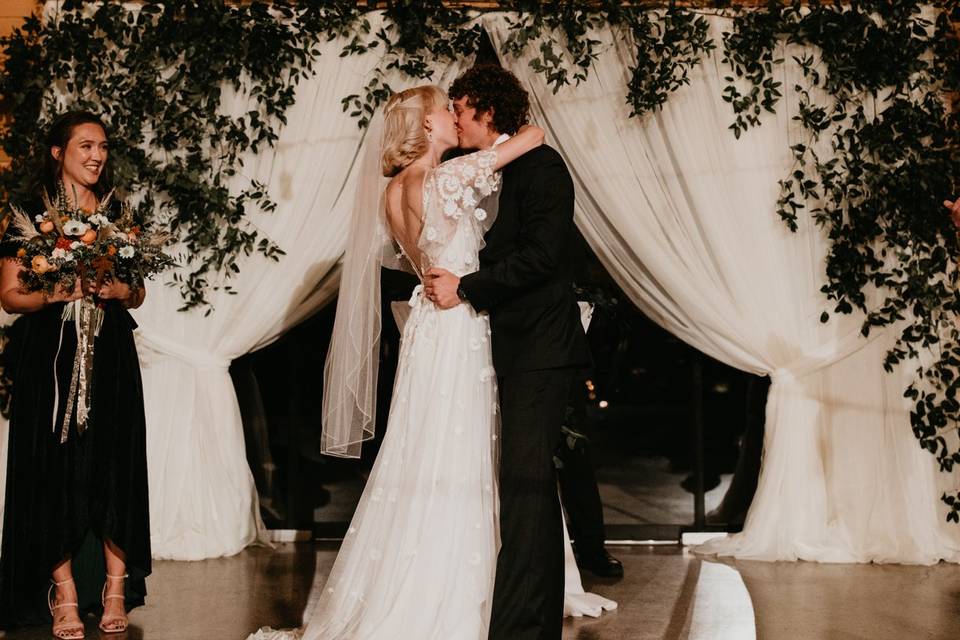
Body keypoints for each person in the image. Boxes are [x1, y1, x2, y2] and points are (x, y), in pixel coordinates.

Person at [425, 64, 593, 640]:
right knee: (516, 485)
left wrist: (467, 288)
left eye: (461, 108)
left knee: (525, 485)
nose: (456, 119)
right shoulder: (473, 168)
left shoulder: (542, 169)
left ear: (486, 111)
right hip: (492, 347)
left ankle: (525, 627)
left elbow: (544, 257)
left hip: (540, 347)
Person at [0, 111, 150, 639]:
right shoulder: (30, 217)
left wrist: (120, 292)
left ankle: (114, 589)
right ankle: (62, 592)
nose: (97, 155)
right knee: (52, 467)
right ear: (58, 152)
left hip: (109, 353)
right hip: (51, 356)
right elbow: (10, 296)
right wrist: (53, 294)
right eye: (85, 145)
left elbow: (138, 290)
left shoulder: (118, 214)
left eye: (103, 146)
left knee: (116, 463)